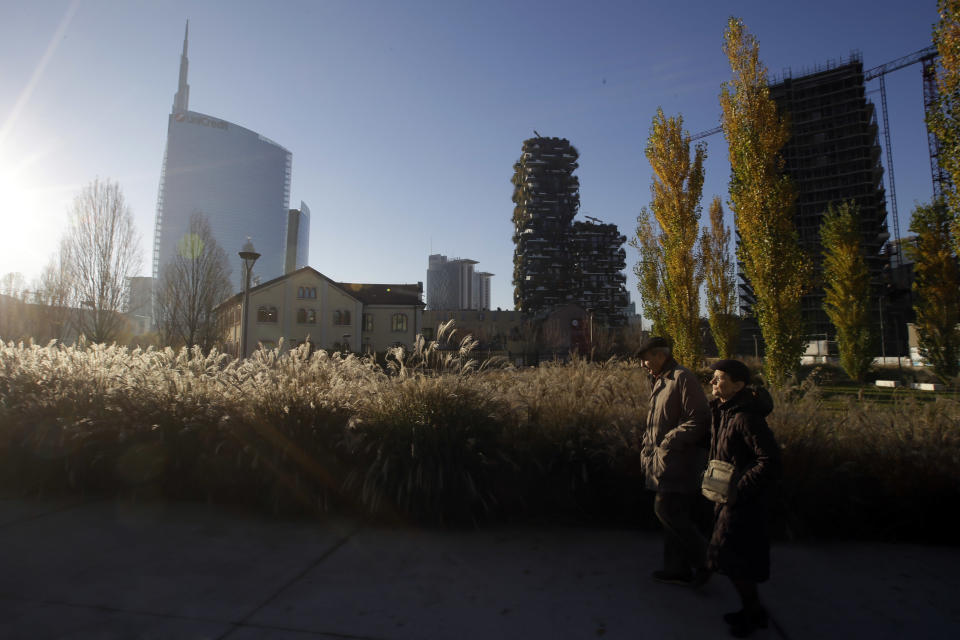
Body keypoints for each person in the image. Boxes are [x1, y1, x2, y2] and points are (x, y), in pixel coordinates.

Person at [706, 359, 781, 638]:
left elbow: (770, 460)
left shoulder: (745, 417)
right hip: (726, 494)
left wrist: (740, 488)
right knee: (734, 557)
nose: (713, 382)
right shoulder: (724, 411)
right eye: (713, 377)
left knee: (732, 556)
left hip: (742, 501)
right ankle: (752, 611)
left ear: (739, 385)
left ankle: (753, 613)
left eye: (720, 378)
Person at [638, 336, 711, 587]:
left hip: (678, 461)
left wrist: (669, 442)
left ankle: (707, 560)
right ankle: (677, 569)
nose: (643, 364)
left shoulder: (681, 377)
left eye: (646, 358)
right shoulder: (661, 380)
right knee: (671, 515)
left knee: (666, 510)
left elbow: (699, 418)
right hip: (664, 460)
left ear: (660, 355)